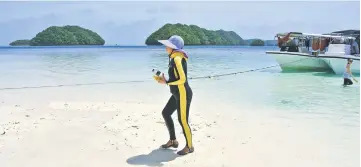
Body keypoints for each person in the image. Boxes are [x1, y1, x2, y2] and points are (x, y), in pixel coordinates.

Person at [154, 35, 194, 155]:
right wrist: (165, 79)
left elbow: (182, 79)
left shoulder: (177, 58)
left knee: (183, 120)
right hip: (177, 93)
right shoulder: (174, 58)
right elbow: (176, 77)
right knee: (166, 113)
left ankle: (190, 147)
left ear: (173, 47)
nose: (166, 47)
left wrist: (166, 82)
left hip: (183, 93)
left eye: (168, 45)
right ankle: (173, 141)